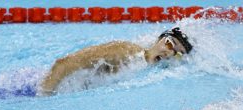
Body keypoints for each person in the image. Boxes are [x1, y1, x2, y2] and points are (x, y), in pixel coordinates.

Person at [39, 27, 193, 95]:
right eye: (170, 44)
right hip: (42, 88)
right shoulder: (125, 51)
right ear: (159, 38)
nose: (169, 53)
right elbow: (64, 64)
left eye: (177, 54)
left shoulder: (151, 71)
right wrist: (44, 97)